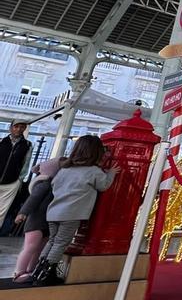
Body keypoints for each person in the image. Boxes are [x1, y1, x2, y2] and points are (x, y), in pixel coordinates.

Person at [31, 135, 118, 286]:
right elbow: (103, 186)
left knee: (52, 241)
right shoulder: (93, 171)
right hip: (72, 213)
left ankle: (37, 271)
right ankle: (46, 274)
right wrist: (111, 173)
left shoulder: (65, 169)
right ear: (97, 153)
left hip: (54, 212)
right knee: (61, 243)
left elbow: (54, 185)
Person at [12, 157, 62, 283]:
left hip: (44, 222)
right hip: (36, 222)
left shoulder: (51, 184)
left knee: (38, 249)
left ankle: (30, 270)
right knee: (30, 247)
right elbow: (33, 199)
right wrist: (23, 213)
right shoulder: (44, 184)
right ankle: (18, 272)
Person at [0, 120, 33, 223]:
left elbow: (26, 163)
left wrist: (19, 180)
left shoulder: (27, 145)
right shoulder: (1, 141)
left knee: (2, 212)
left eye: (22, 127)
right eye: (16, 126)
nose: (19, 129)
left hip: (12, 183)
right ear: (11, 128)